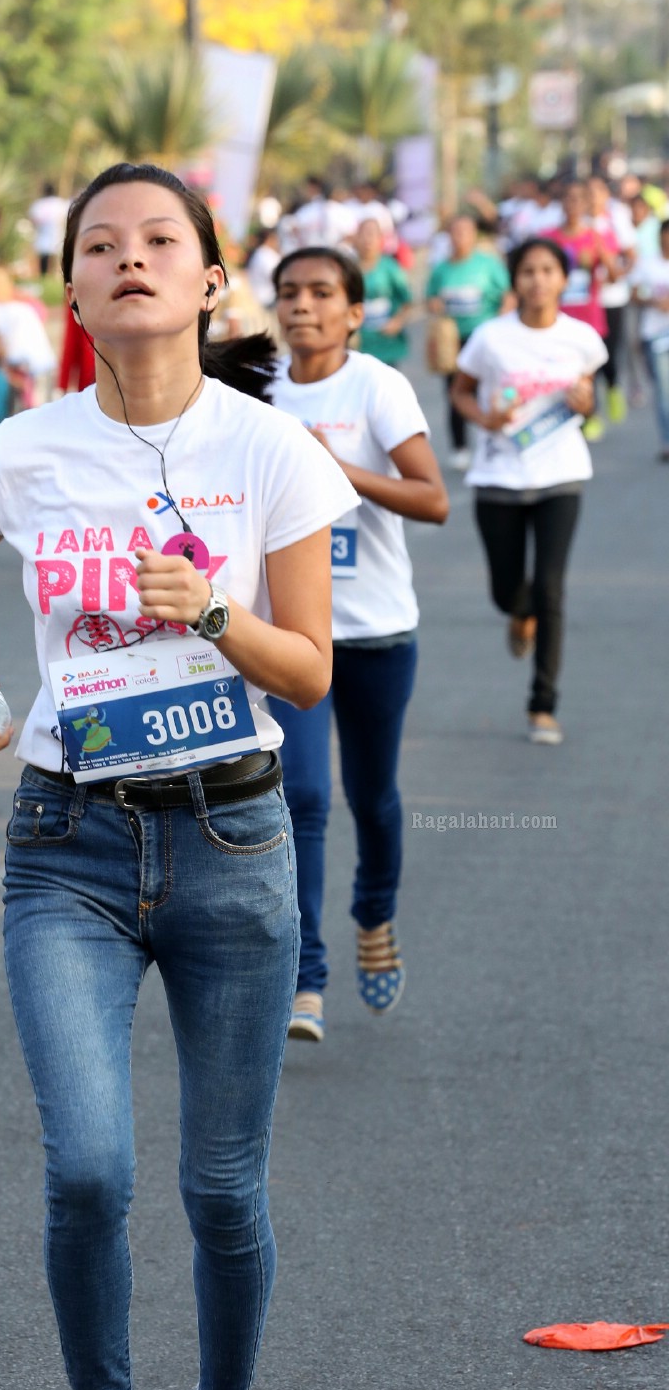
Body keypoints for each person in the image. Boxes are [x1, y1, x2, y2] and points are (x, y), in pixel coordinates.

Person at [0, 162, 356, 1390]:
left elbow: (308, 672)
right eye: (100, 245)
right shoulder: (18, 450)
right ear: (74, 290)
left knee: (224, 1187)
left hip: (232, 840)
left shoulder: (270, 453)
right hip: (69, 849)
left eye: (162, 240)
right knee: (90, 1168)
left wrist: (213, 611)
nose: (131, 259)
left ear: (213, 278)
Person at [266, 247, 448, 1043]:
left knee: (371, 798)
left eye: (321, 293)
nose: (302, 305)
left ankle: (374, 914)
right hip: (289, 636)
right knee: (301, 794)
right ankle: (306, 978)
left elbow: (432, 498)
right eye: (289, 292)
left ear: (352, 311)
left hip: (376, 629)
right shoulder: (257, 390)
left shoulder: (376, 385)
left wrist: (334, 472)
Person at [451, 237, 606, 746]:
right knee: (506, 589)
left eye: (547, 270)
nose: (538, 280)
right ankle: (520, 614)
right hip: (499, 476)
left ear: (563, 279)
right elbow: (461, 391)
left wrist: (586, 405)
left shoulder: (582, 338)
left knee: (552, 587)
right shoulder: (491, 338)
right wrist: (483, 419)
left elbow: (589, 401)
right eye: (528, 272)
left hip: (561, 474)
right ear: (515, 281)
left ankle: (543, 705)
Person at [426, 211, 513, 470]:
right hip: (453, 341)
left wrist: (501, 321)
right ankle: (460, 446)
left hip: (483, 337)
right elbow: (431, 298)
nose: (460, 237)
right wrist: (436, 305)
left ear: (474, 235)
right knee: (455, 392)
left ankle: (494, 437)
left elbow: (508, 296)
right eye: (455, 232)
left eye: (466, 231)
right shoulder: (441, 269)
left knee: (491, 389)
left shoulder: (489, 264)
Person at [545, 180, 619, 440]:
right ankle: (562, 417)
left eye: (578, 200)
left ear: (586, 204)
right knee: (559, 370)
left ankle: (590, 412)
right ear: (562, 203)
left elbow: (613, 277)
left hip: (589, 316)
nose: (573, 205)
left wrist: (602, 255)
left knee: (588, 370)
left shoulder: (595, 236)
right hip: (556, 315)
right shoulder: (548, 238)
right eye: (568, 199)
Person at [586, 174, 636, 429]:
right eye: (589, 192)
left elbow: (630, 254)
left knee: (607, 352)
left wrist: (618, 275)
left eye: (598, 191)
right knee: (585, 356)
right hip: (583, 301)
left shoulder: (616, 218)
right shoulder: (578, 221)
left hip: (612, 299)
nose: (593, 197)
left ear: (606, 195)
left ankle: (613, 386)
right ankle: (590, 412)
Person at [630, 218, 669, 461]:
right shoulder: (647, 264)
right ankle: (667, 440)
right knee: (664, 391)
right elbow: (634, 294)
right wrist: (654, 301)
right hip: (656, 335)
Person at [352, 218, 412, 369]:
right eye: (363, 235)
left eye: (372, 235)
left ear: (381, 239)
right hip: (358, 346)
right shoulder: (348, 270)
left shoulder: (390, 268)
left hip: (386, 346)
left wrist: (397, 322)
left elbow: (407, 301)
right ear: (355, 239)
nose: (367, 240)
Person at [28, 181, 70, 277]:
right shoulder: (60, 204)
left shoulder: (38, 205)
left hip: (43, 235)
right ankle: (54, 275)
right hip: (56, 235)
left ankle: (44, 275)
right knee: (55, 257)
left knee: (44, 258)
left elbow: (33, 220)